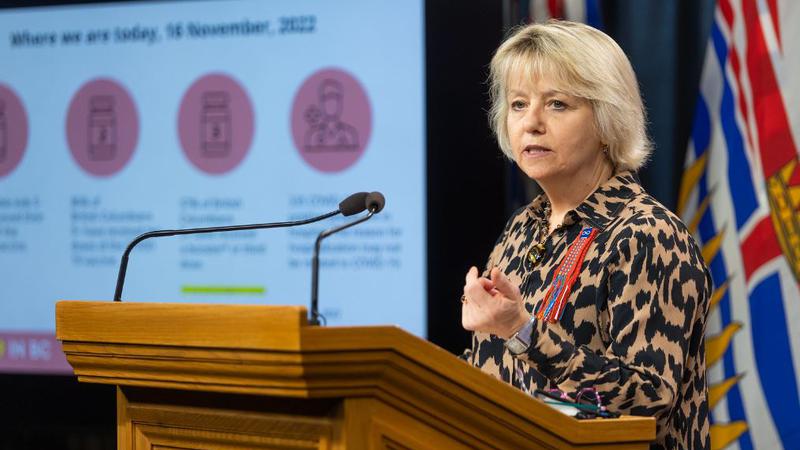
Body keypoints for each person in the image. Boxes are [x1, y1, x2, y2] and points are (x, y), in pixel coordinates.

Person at [460, 21, 711, 450]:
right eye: (518, 104)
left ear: (607, 119)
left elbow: (649, 398)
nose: (531, 123)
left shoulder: (646, 235)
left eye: (557, 104)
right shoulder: (522, 228)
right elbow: (501, 380)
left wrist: (522, 331)